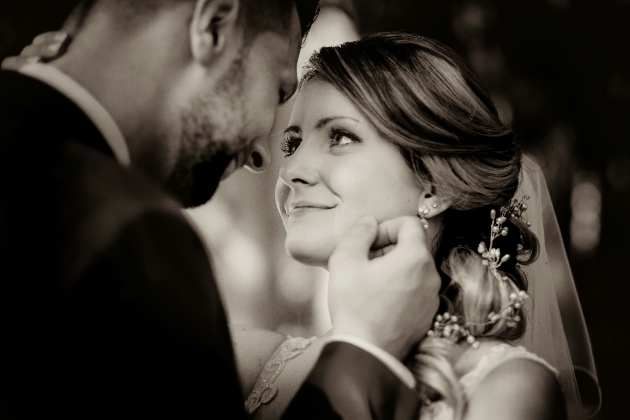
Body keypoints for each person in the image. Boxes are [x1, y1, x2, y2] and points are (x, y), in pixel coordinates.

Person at [0, 1, 443, 418]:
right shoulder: (128, 229)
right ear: (213, 26)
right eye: (277, 88)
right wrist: (364, 350)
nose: (263, 158)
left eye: (340, 138)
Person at [243, 32, 589, 419]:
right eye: (292, 144)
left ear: (434, 185)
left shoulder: (506, 389)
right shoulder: (246, 365)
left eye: (340, 137)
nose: (290, 170)